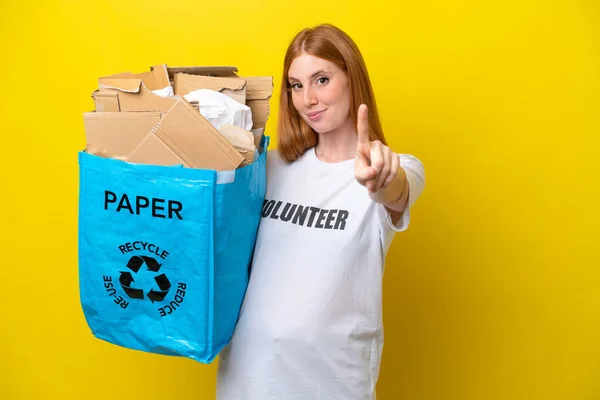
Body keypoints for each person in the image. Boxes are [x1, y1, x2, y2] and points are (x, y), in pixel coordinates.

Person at [216, 23, 425, 399]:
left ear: (352, 79)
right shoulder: (269, 167)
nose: (307, 99)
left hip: (330, 385)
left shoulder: (393, 166)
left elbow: (396, 192)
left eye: (322, 79)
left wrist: (381, 178)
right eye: (296, 85)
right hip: (248, 380)